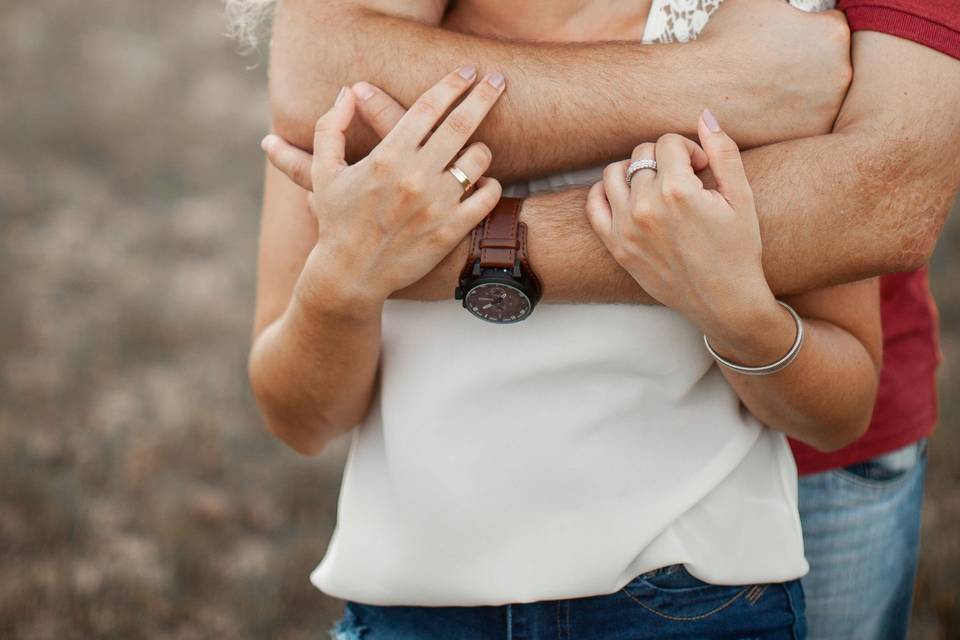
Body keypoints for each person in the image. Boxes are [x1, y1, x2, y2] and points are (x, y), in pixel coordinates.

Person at [241, 0, 960, 637]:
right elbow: (300, 417)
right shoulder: (361, 69)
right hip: (413, 605)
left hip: (693, 601)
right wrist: (340, 286)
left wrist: (738, 314)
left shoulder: (768, 36)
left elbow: (841, 404)